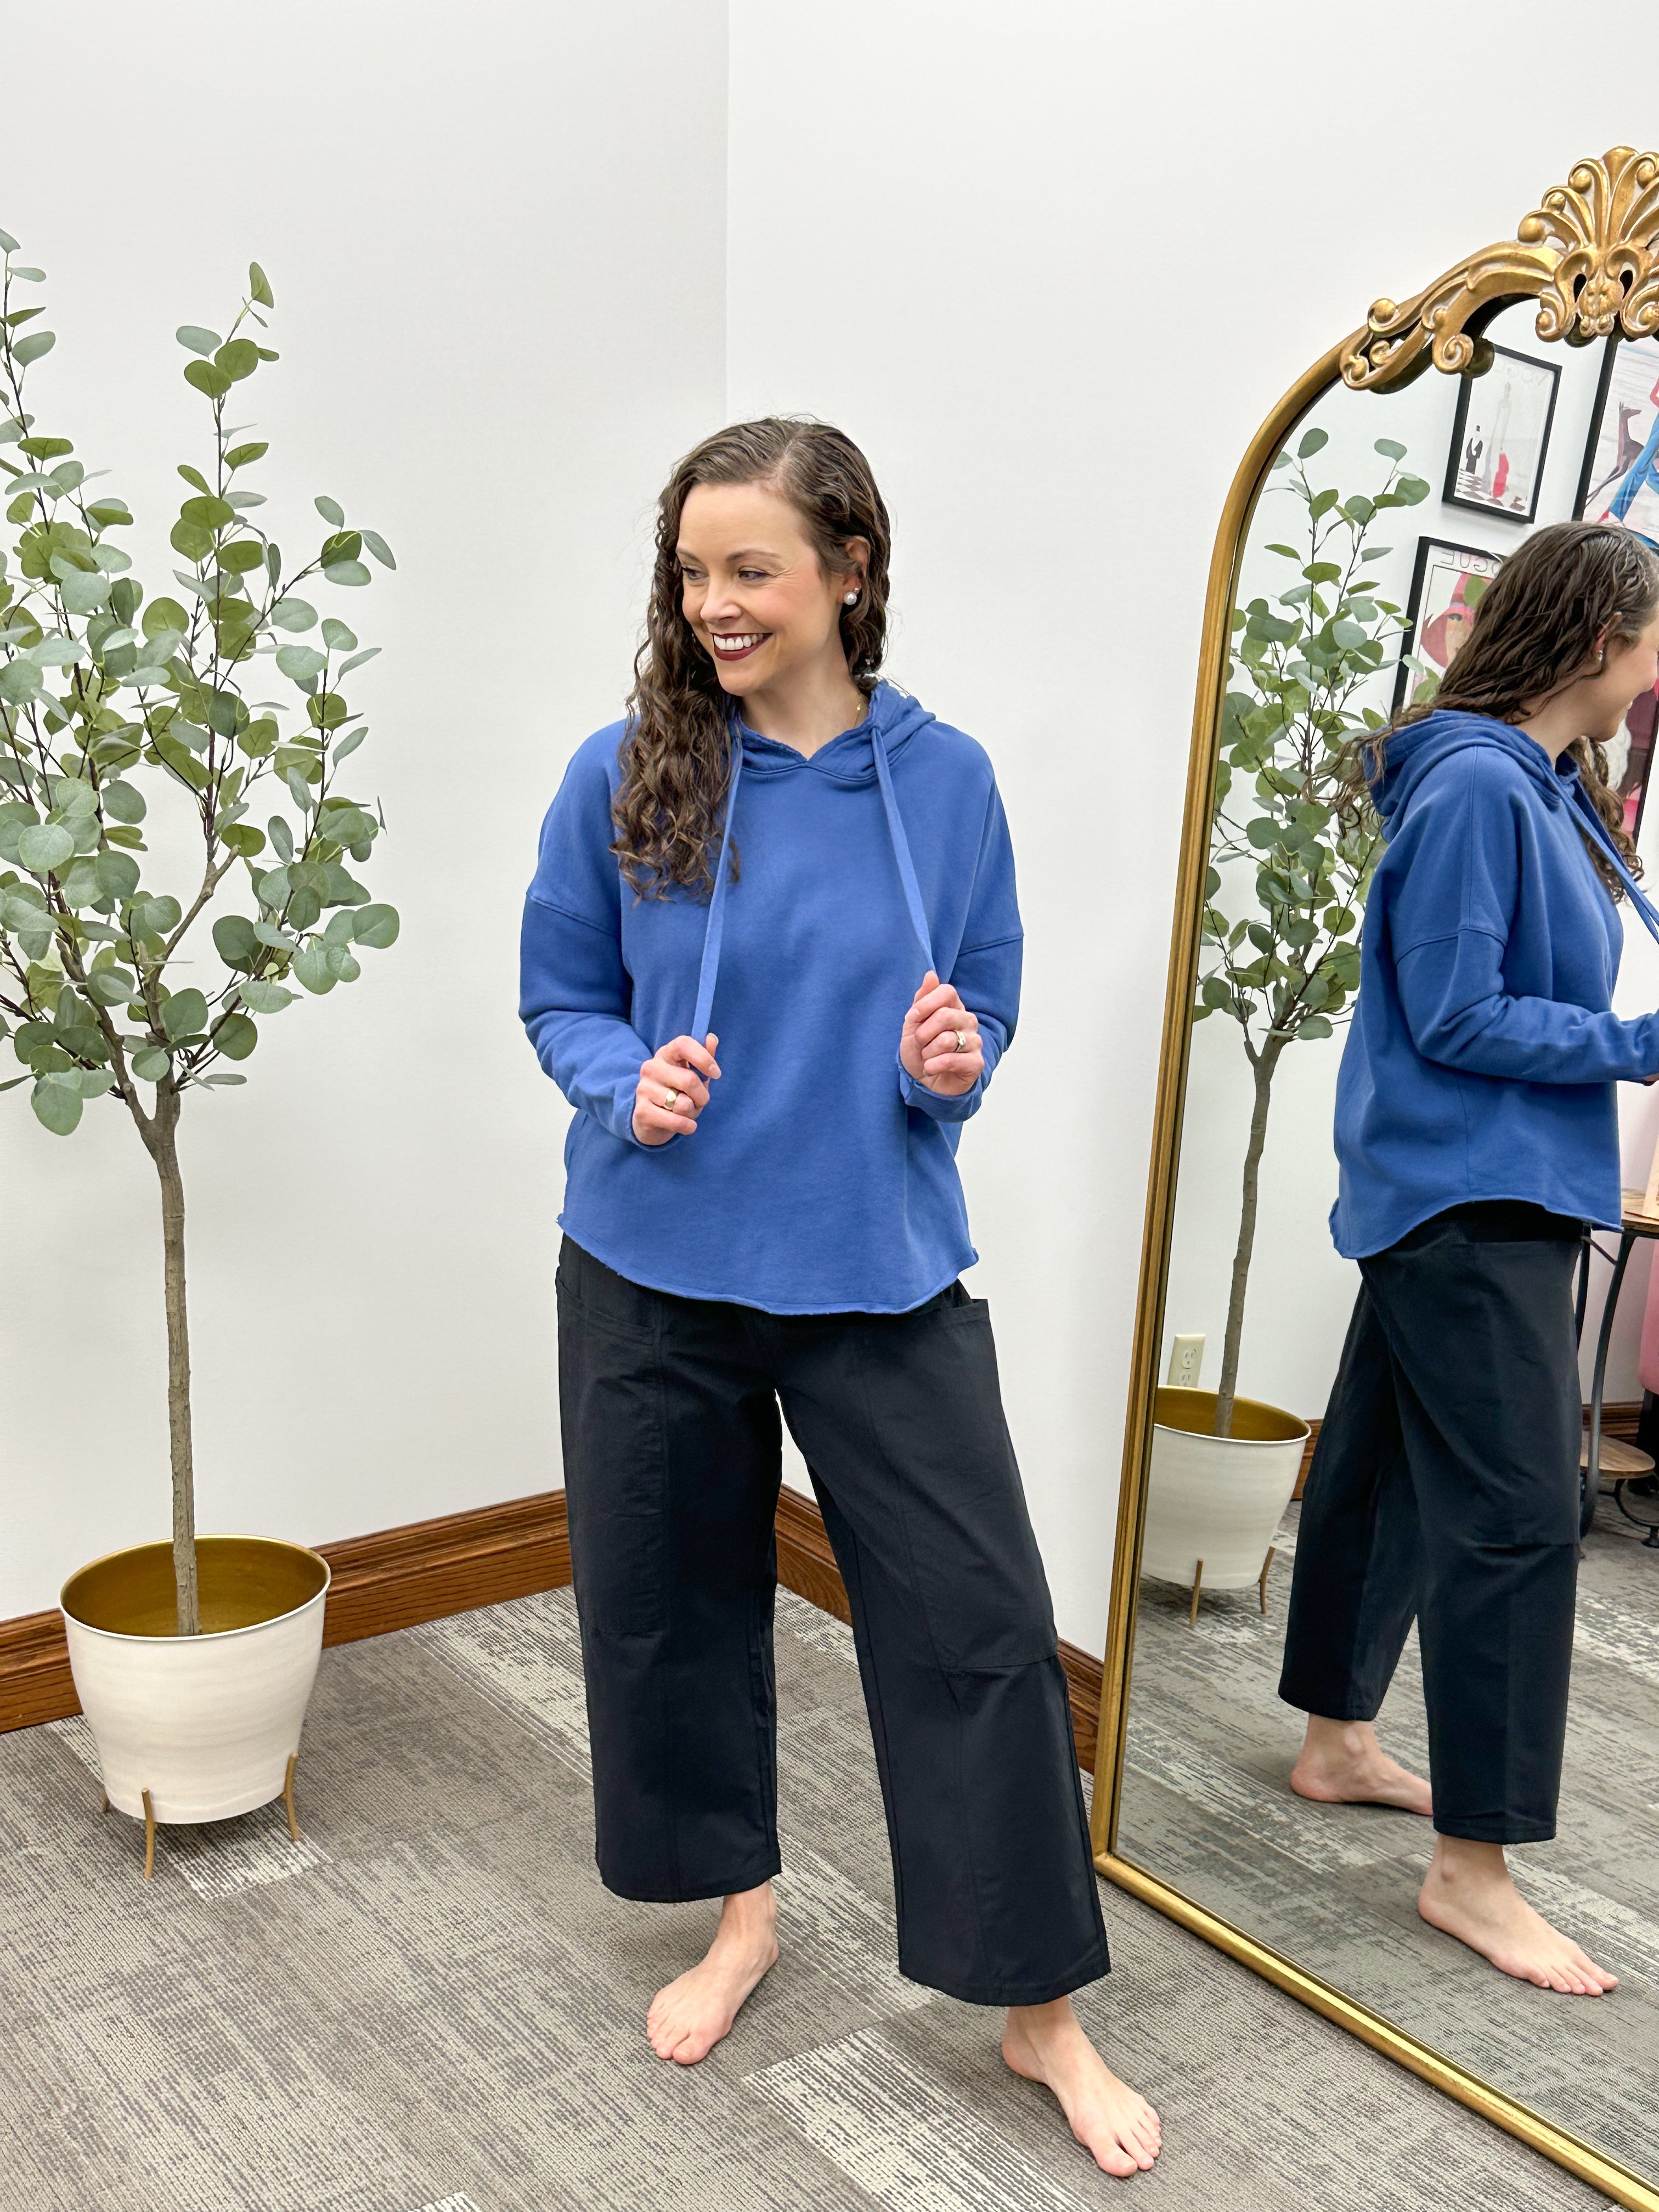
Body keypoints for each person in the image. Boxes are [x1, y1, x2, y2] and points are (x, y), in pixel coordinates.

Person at [519, 417, 1160, 2176]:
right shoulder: (627, 769)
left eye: (752, 570)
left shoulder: (943, 784)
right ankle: (742, 1916)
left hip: (876, 1270)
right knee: (670, 1608)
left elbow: (993, 994)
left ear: (847, 571)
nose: (713, 603)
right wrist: (617, 1079)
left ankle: (1038, 2012)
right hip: (649, 1269)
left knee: (975, 1627)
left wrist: (959, 1061)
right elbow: (560, 991)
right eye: (693, 570)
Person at [1278, 518, 1659, 1995]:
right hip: (1467, 1196)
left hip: (1462, 1188)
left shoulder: (1534, 785)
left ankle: (1334, 1740)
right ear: (1599, 640)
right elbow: (1454, 1013)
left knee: (1377, 1471)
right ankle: (1474, 1869)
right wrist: (1637, 1046)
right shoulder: (1478, 791)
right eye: (1651, 632)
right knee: (1516, 1522)